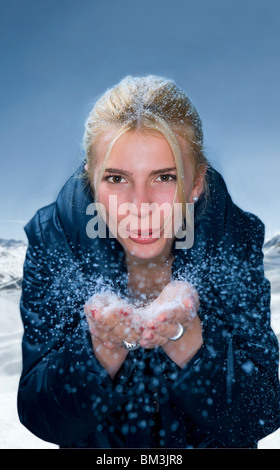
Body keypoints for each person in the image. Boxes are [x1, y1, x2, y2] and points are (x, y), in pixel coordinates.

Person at [17, 75, 280, 448]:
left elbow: (264, 409)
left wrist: (190, 345)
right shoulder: (55, 237)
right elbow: (39, 413)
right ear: (92, 182)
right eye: (117, 179)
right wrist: (100, 353)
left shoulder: (230, 237)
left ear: (196, 183)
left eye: (164, 177)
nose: (141, 208)